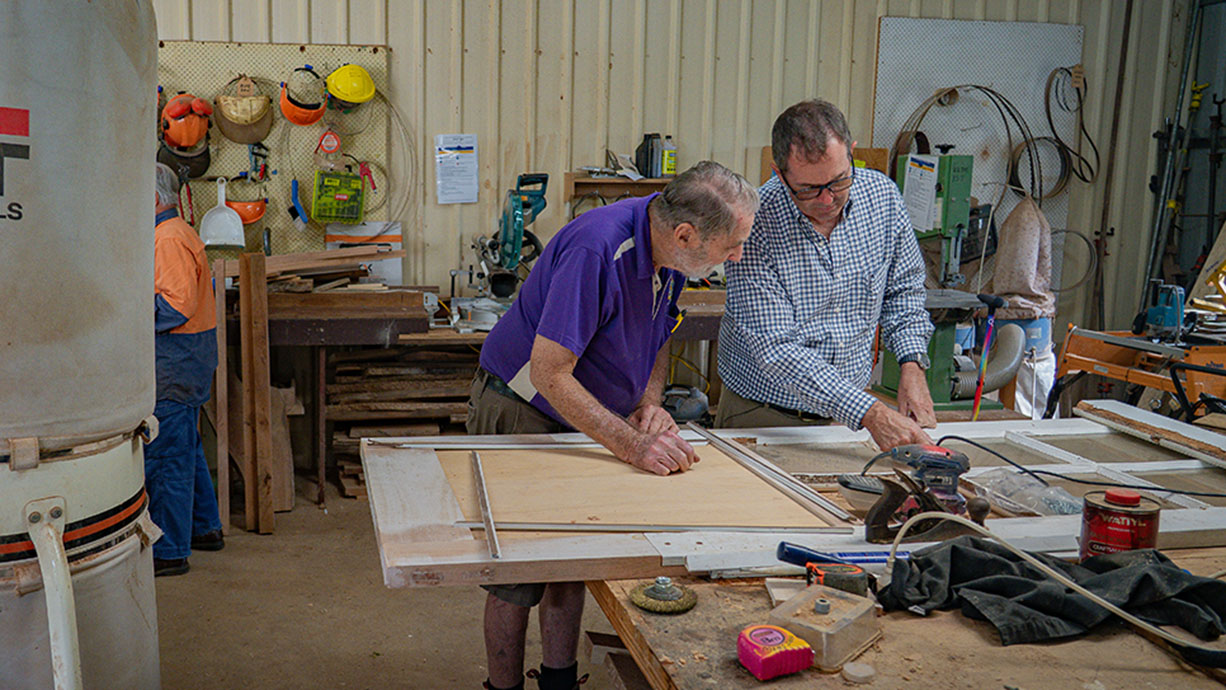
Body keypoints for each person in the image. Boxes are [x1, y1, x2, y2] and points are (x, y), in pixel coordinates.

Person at [468, 161, 758, 690]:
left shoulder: (670, 248)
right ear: (686, 234)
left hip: (580, 410)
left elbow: (661, 327)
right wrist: (630, 443)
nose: (737, 255)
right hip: (522, 406)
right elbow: (549, 373)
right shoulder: (596, 249)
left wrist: (648, 403)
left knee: (573, 556)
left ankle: (558, 681)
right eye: (732, 244)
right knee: (517, 574)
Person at [716, 99, 936, 450]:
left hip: (848, 418)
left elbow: (904, 292)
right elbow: (777, 351)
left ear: (851, 153)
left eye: (838, 181)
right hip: (763, 414)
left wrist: (911, 364)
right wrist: (871, 413)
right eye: (807, 189)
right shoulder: (754, 225)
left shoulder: (883, 199)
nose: (827, 200)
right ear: (778, 172)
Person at [146, 162, 225, 577]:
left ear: (154, 198)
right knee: (188, 449)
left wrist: (128, 313)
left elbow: (175, 306)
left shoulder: (167, 238)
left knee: (165, 458)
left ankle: (170, 551)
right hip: (188, 358)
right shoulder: (177, 231)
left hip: (174, 361)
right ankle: (204, 528)